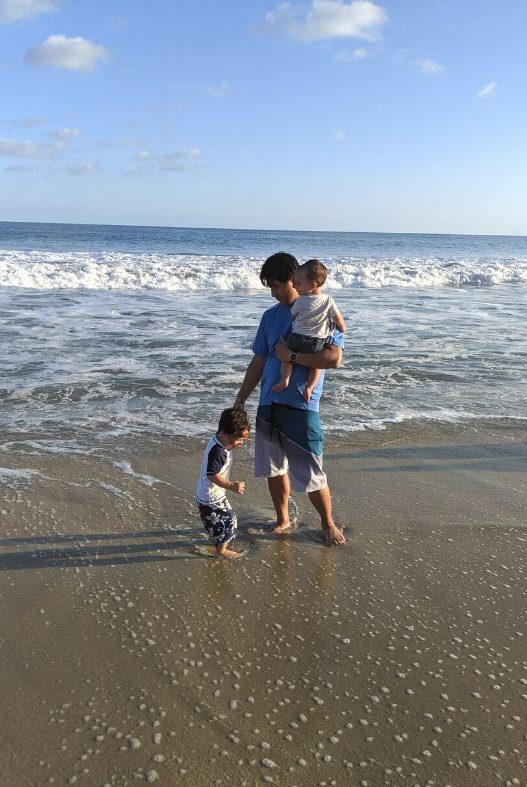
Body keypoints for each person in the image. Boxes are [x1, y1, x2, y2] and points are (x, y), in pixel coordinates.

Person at [233, 252, 345, 546]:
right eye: (269, 288)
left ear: (295, 280)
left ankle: (328, 524)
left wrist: (293, 356)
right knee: (273, 468)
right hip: (269, 402)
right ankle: (282, 519)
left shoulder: (320, 310)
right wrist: (241, 398)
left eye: (277, 286)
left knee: (311, 470)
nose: (274, 293)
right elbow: (258, 362)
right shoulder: (270, 316)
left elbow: (333, 358)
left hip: (301, 404)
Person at [272, 259, 346, 402]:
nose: (295, 286)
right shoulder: (328, 300)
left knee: (285, 355)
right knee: (316, 366)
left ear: (312, 285)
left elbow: (293, 314)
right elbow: (337, 317)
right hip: (316, 342)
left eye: (298, 284)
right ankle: (310, 386)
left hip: (297, 338)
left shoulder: (301, 300)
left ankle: (284, 379)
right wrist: (342, 328)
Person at [196, 407, 250, 558]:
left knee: (218, 521)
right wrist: (232, 486)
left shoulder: (217, 441)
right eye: (238, 438)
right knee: (230, 521)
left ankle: (218, 542)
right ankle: (221, 551)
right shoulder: (219, 451)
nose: (240, 443)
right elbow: (212, 475)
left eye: (243, 439)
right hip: (211, 497)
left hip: (207, 495)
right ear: (224, 432)